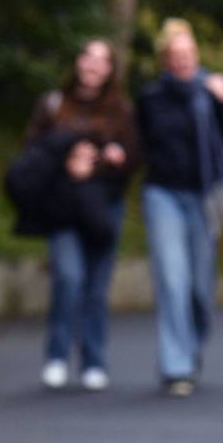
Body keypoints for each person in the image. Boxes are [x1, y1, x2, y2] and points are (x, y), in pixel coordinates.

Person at [23, 39, 139, 391]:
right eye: (88, 57)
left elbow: (134, 158)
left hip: (103, 208)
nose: (92, 65)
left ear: (110, 71)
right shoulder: (54, 105)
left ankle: (93, 360)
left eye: (102, 61)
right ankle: (57, 356)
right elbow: (33, 154)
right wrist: (68, 161)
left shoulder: (121, 111)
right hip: (63, 206)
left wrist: (103, 162)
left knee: (96, 287)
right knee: (69, 278)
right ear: (77, 62)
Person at [136, 19, 223, 398]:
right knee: (172, 280)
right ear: (165, 59)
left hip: (204, 196)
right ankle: (175, 365)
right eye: (175, 55)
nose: (183, 61)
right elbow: (140, 144)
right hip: (163, 194)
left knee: (199, 286)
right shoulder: (150, 97)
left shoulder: (210, 92)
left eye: (189, 54)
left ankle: (192, 347)